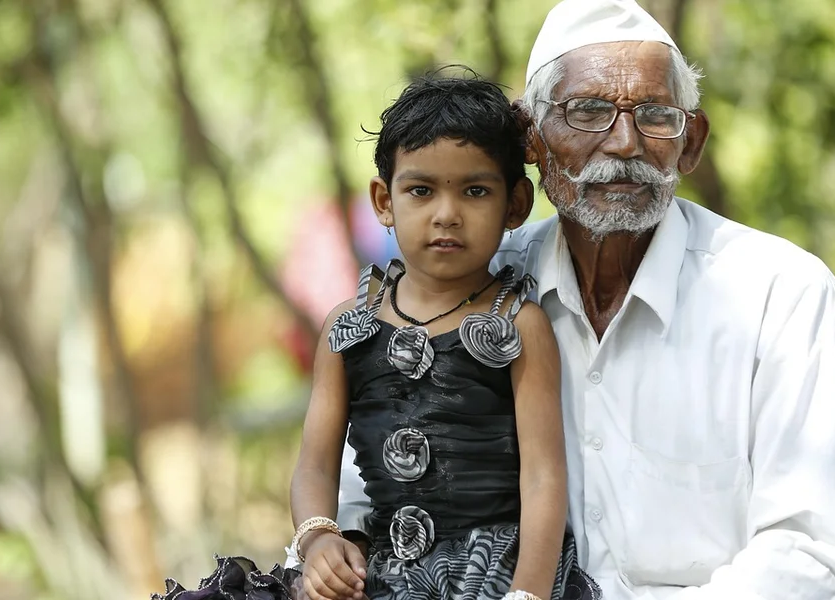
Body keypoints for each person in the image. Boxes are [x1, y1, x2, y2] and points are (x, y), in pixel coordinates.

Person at [323, 1, 835, 599]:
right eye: (587, 112)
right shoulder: (475, 291)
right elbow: (374, 492)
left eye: (657, 116)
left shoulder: (781, 296)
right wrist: (329, 551)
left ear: (691, 144)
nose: (625, 142)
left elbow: (815, 564)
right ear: (531, 139)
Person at [154, 69, 601, 600]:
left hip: (493, 571)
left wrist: (527, 594)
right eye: (421, 190)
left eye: (475, 191)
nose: (447, 214)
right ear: (384, 201)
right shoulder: (347, 329)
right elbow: (315, 465)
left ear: (515, 205)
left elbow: (544, 478)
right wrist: (317, 539)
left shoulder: (520, 324)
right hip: (383, 572)